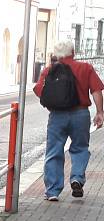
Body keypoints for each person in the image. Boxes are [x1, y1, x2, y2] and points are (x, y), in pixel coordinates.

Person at [34, 40, 104, 201]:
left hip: (57, 116)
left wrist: (54, 101)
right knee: (80, 148)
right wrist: (100, 112)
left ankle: (52, 191)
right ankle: (77, 179)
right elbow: (96, 91)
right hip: (80, 114)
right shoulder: (85, 68)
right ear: (73, 51)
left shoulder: (50, 70)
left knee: (54, 151)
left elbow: (39, 90)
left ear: (56, 53)